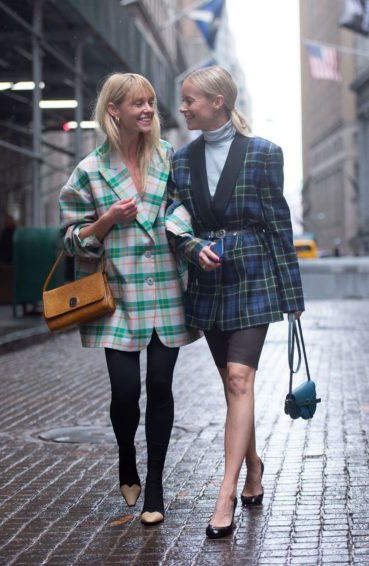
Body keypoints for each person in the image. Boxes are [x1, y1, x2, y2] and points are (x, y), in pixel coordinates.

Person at [166, 66, 305, 539]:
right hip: (207, 279)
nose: (183, 107)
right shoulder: (181, 161)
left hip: (254, 276)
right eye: (183, 101)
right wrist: (190, 247)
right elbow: (173, 216)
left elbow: (278, 224)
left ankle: (224, 494)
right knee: (231, 384)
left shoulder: (264, 154)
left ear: (218, 102)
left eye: (190, 100)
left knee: (241, 379)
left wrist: (292, 295)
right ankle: (253, 467)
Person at [59, 73, 197, 526]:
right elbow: (71, 242)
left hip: (165, 293)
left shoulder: (168, 159)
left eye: (151, 103)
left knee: (160, 386)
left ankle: (154, 484)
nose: (147, 110)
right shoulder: (89, 171)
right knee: (125, 394)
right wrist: (105, 222)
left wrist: (182, 229)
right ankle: (125, 456)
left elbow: (183, 212)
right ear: (113, 109)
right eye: (137, 103)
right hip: (117, 299)